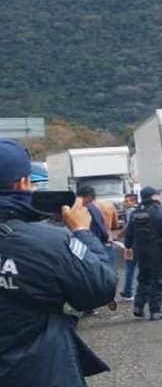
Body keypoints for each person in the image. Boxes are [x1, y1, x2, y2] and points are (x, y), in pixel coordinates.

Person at [0, 138, 117, 386]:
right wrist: (82, 232)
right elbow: (100, 288)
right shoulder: (48, 243)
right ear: (23, 183)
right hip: (41, 373)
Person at [124, 186, 162, 321]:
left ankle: (138, 306)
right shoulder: (159, 212)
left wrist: (129, 246)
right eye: (157, 194)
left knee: (144, 278)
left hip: (141, 251)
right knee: (159, 279)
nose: (159, 196)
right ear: (153, 196)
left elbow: (129, 234)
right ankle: (155, 310)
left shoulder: (135, 213)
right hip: (158, 251)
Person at [117, 193, 139, 301]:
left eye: (127, 201)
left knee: (130, 267)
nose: (124, 203)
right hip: (139, 243)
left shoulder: (131, 212)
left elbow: (127, 227)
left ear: (134, 201)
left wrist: (118, 235)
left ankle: (128, 291)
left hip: (131, 243)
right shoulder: (139, 211)